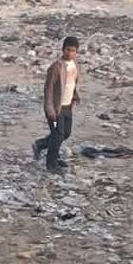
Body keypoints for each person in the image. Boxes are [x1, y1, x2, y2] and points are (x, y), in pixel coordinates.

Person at [33, 36, 80, 174]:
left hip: (67, 107)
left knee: (66, 133)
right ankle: (51, 164)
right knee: (57, 134)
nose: (70, 53)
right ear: (63, 49)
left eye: (73, 51)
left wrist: (75, 99)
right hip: (55, 109)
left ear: (76, 52)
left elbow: (74, 84)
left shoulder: (75, 66)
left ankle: (40, 144)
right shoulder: (56, 67)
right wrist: (50, 110)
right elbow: (48, 90)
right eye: (67, 50)